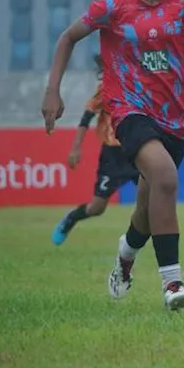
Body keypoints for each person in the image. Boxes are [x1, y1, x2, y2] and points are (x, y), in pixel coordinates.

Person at [41, 0, 184, 311]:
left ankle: (125, 256)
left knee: (146, 205)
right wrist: (52, 90)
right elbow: (67, 38)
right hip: (129, 110)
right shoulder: (113, 6)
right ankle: (172, 283)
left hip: (176, 118)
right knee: (166, 178)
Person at [50, 55, 141, 245]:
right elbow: (86, 119)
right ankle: (72, 218)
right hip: (112, 156)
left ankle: (138, 243)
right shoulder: (105, 90)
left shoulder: (140, 87)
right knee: (97, 208)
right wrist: (75, 148)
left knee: (155, 198)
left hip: (136, 151)